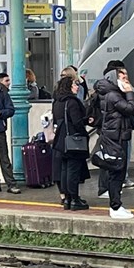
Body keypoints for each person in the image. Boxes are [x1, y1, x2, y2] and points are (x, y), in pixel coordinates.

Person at [93, 66, 134, 219]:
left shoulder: (110, 94)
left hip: (117, 136)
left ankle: (117, 204)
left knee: (117, 172)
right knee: (116, 173)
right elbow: (130, 109)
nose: (126, 78)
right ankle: (115, 207)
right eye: (122, 76)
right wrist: (130, 92)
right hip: (116, 138)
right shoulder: (113, 95)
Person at [51, 76, 89, 211]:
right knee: (73, 170)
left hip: (60, 140)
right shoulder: (72, 102)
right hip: (73, 140)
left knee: (64, 169)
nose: (77, 87)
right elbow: (77, 122)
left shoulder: (56, 102)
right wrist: (85, 129)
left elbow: (56, 120)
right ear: (68, 86)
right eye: (74, 84)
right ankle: (74, 198)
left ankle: (67, 198)